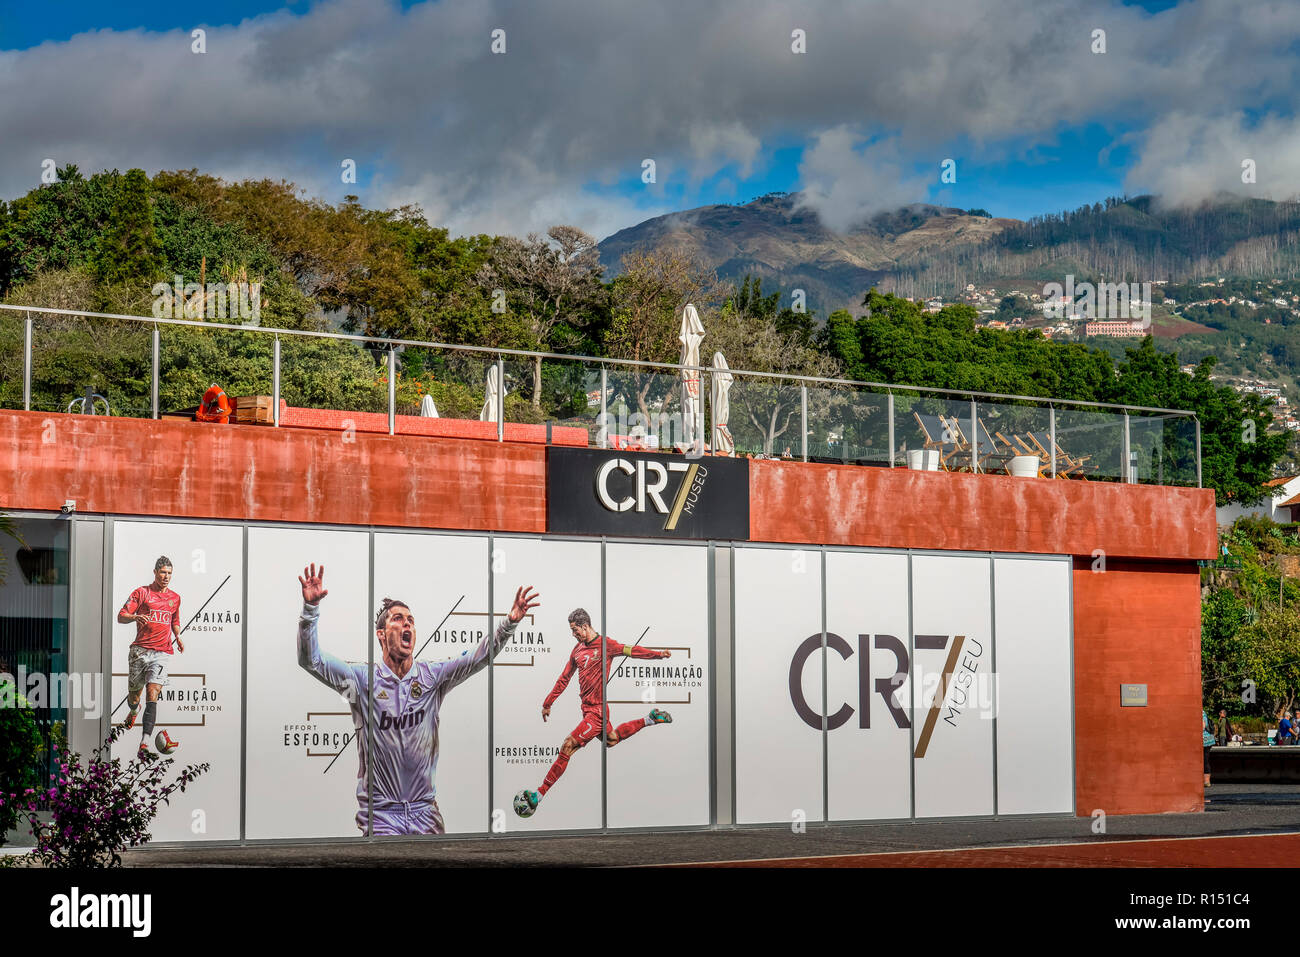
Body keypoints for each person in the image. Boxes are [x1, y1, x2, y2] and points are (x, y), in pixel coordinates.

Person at [296, 562, 539, 836]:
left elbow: (478, 657)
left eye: (410, 620)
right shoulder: (362, 680)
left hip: (426, 814)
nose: (407, 624)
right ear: (381, 634)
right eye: (398, 619)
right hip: (382, 816)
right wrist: (310, 611)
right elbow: (311, 660)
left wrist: (510, 622)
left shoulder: (432, 677)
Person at [516, 608, 672, 818]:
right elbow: (564, 678)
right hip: (588, 709)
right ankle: (650, 719)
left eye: (574, 630)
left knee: (567, 745)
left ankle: (539, 794)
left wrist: (657, 655)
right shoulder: (577, 650)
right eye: (571, 631)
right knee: (612, 740)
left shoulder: (607, 645)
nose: (573, 634)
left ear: (585, 626)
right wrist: (548, 702)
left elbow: (631, 650)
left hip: (597, 712)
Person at [117, 556, 184, 758]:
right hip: (140, 651)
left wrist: (178, 636)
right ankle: (134, 710)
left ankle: (144, 742)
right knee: (134, 697)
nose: (166, 576)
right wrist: (135, 616)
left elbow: (174, 620)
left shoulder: (175, 598)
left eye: (169, 573)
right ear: (155, 572)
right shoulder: (142, 593)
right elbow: (121, 616)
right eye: (163, 572)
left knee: (153, 695)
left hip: (162, 653)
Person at [1202, 709, 1215, 789]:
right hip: (1209, 740)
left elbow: (1202, 726)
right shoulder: (1203, 712)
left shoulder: (1200, 713)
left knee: (1205, 760)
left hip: (1205, 740)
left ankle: (1207, 781)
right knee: (1205, 760)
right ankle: (1206, 781)